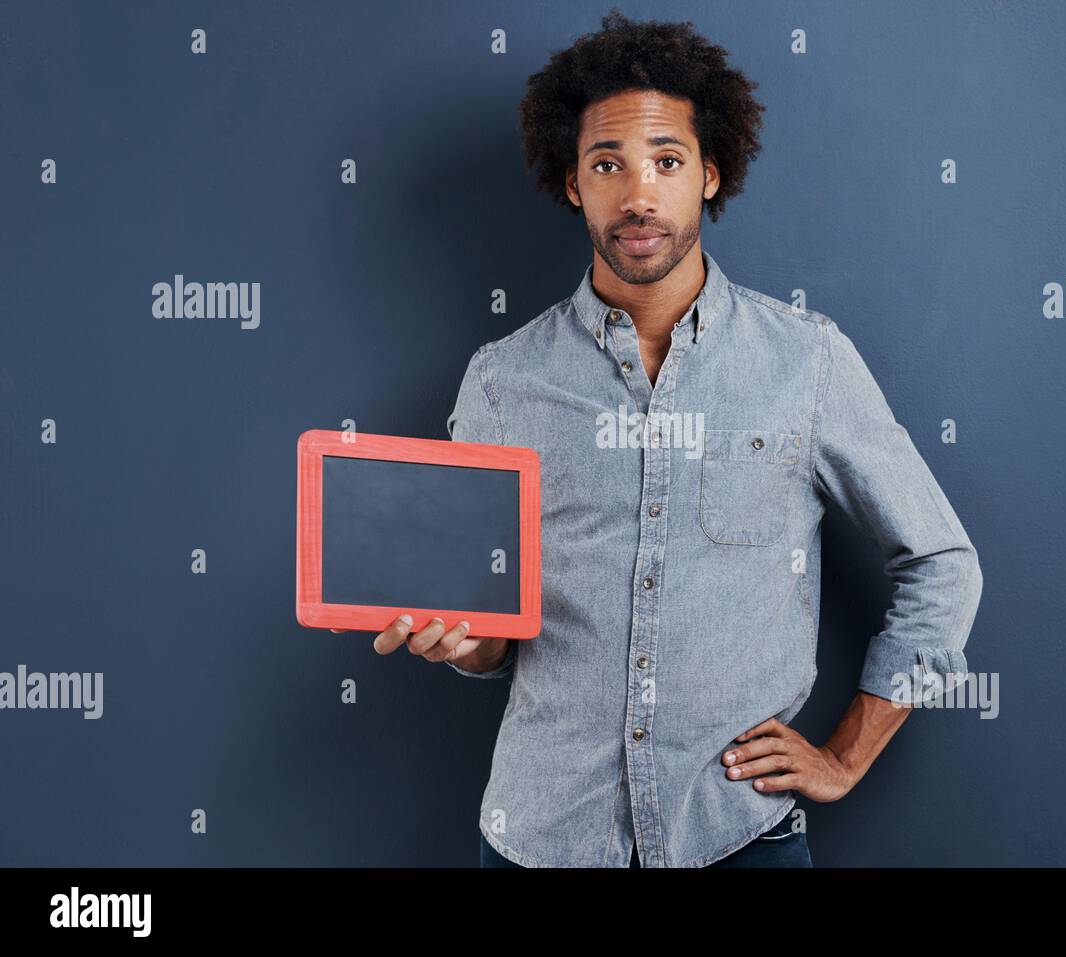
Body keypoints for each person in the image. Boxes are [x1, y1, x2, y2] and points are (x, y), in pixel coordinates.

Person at [353, 8, 982, 867]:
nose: (638, 193)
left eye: (667, 161)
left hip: (742, 836)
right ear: (573, 182)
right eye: (606, 163)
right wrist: (466, 643)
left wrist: (847, 753)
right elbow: (492, 629)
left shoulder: (808, 363)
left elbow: (943, 565)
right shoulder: (500, 382)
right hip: (543, 841)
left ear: (710, 174)